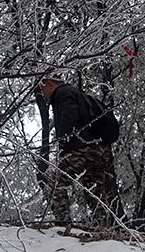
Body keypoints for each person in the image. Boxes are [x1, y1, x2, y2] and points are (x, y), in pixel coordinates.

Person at [39, 76, 120, 229]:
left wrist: (63, 142)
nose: (43, 95)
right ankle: (102, 226)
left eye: (42, 90)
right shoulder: (77, 93)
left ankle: (63, 223)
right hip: (101, 149)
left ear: (49, 84)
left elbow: (69, 117)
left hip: (84, 148)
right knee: (94, 188)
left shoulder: (62, 93)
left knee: (54, 181)